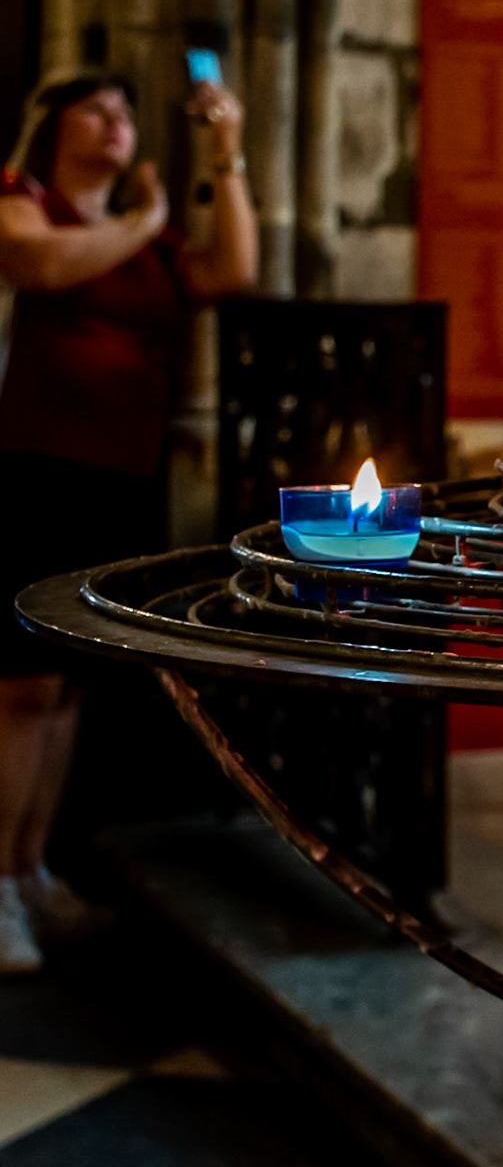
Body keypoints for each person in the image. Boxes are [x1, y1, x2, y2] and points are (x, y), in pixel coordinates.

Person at [0, 69, 258, 973]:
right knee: (21, 688)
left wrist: (225, 151)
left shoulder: (147, 237)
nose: (117, 123)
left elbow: (234, 269)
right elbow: (38, 266)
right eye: (96, 110)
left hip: (118, 475)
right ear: (54, 125)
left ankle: (28, 871)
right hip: (35, 469)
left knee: (66, 688)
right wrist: (145, 216)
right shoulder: (24, 200)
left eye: (124, 113)